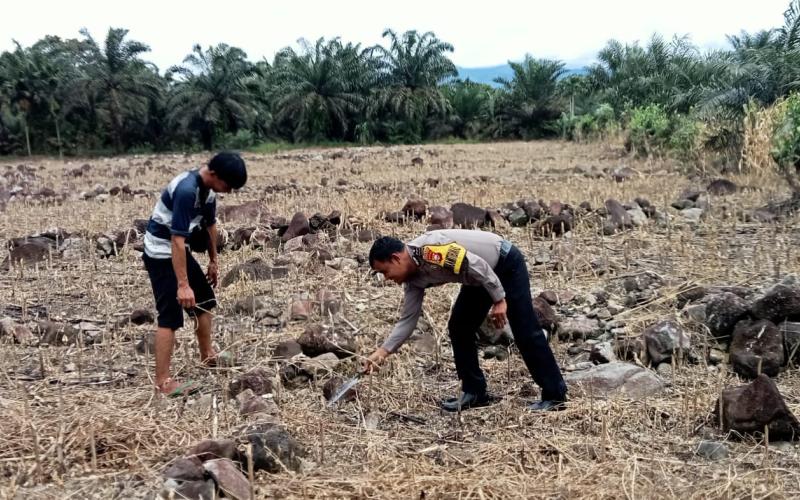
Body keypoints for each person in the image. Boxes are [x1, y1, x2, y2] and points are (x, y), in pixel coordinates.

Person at [364, 229, 567, 411]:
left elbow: (477, 264)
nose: (386, 278)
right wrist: (383, 352)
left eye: (384, 271)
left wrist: (499, 299)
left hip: (504, 264)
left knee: (524, 327)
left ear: (396, 258)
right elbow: (408, 319)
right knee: (460, 326)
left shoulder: (431, 250)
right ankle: (474, 392)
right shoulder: (412, 280)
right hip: (477, 279)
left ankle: (554, 395)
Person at [142, 151, 247, 396]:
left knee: (205, 301)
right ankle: (162, 382)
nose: (228, 191)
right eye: (227, 185)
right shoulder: (187, 190)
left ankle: (207, 355)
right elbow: (176, 240)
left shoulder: (208, 191)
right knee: (170, 316)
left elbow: (210, 225)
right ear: (213, 174)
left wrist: (213, 261)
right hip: (160, 251)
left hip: (178, 249)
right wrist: (182, 285)